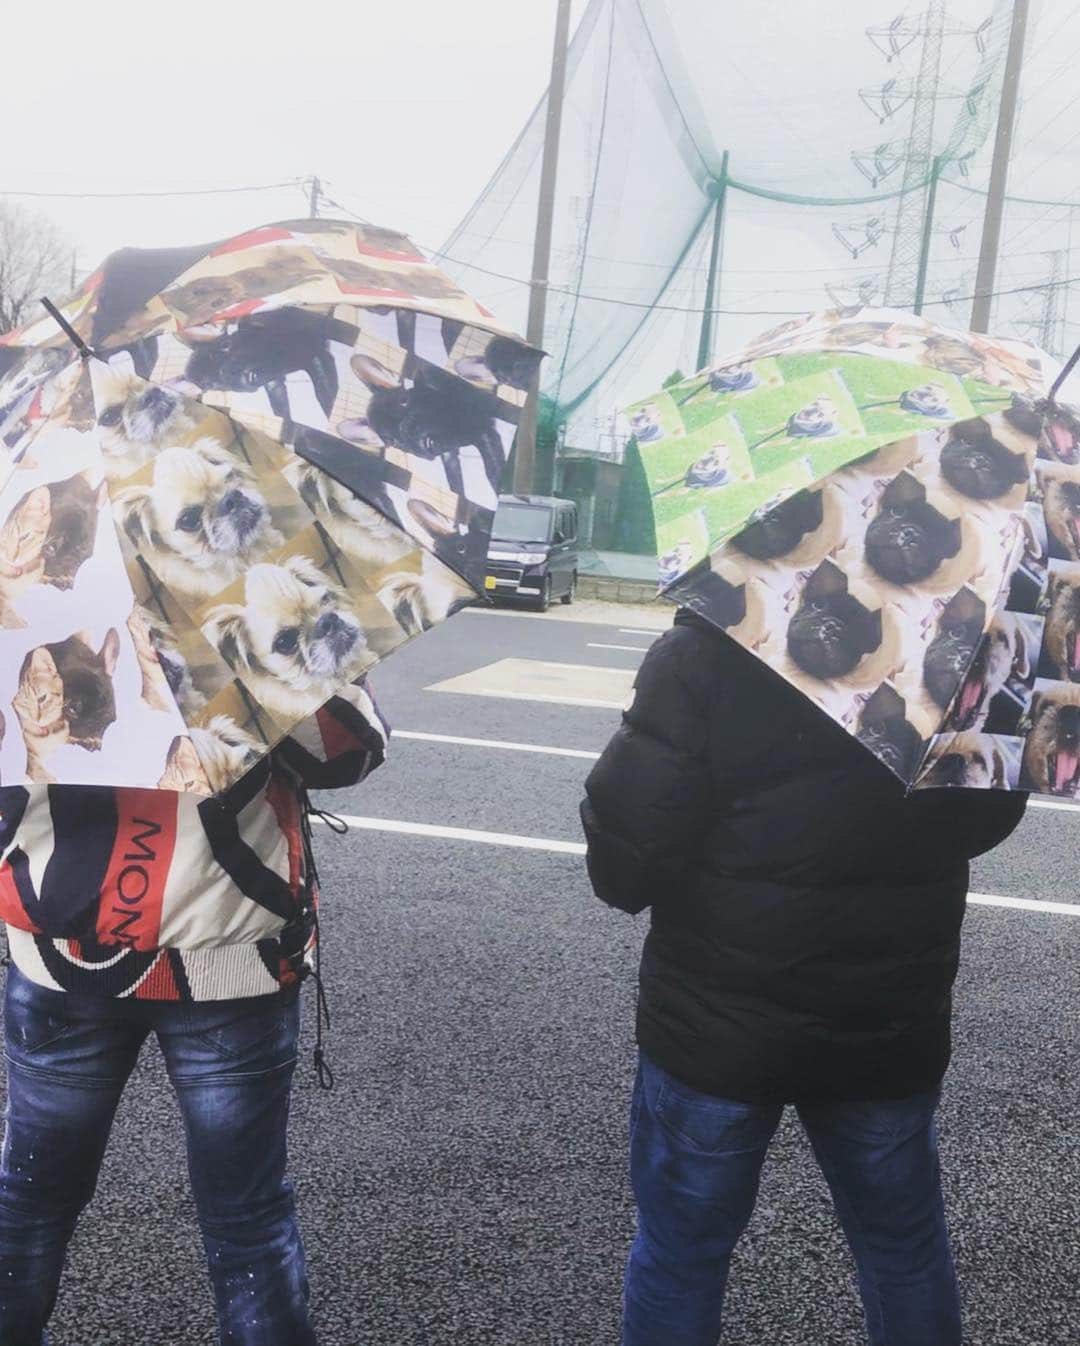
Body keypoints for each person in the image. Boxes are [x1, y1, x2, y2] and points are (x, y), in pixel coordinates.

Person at [580, 611, 1026, 1346]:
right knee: (902, 1250)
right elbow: (986, 816)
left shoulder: (709, 645)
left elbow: (628, 854)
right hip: (886, 1013)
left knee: (681, 1256)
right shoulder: (961, 649)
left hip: (714, 1021)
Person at [0, 680, 387, 1346]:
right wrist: (273, 686)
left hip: (62, 943)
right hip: (233, 952)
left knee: (28, 1202)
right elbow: (349, 751)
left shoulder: (22, 607)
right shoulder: (238, 615)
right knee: (248, 1221)